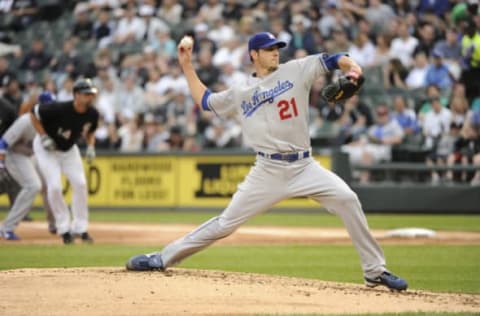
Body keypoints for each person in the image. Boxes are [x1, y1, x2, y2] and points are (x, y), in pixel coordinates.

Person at [126, 32, 408, 291]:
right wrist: (187, 65)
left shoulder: (296, 69)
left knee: (347, 199)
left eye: (276, 48)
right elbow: (206, 100)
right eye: (268, 49)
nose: (275, 52)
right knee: (225, 224)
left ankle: (374, 271)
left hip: (304, 166)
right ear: (253, 54)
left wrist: (354, 70)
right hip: (268, 170)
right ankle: (161, 258)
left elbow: (334, 59)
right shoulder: (241, 91)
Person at [30, 78, 99, 244]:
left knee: (81, 184)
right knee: (54, 187)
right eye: (86, 94)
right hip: (47, 149)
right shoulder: (59, 108)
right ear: (76, 95)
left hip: (68, 150)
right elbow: (34, 113)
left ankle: (80, 228)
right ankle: (64, 228)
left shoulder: (92, 113)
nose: (90, 97)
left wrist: (90, 147)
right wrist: (43, 136)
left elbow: (90, 131)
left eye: (92, 94)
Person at [0, 92, 56, 240]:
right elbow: (4, 142)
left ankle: (54, 224)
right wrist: (1, 164)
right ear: (39, 106)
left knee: (50, 183)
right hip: (14, 155)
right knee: (33, 186)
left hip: (31, 155)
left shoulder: (51, 121)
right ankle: (7, 227)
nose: (51, 110)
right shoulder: (26, 121)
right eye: (48, 106)